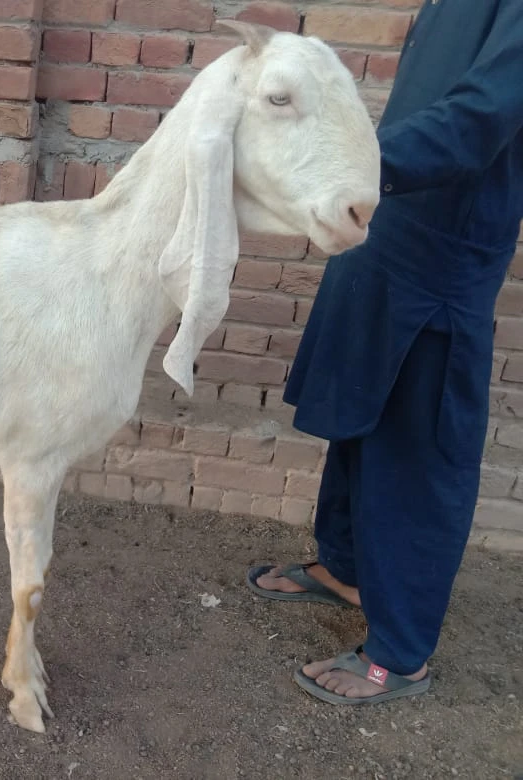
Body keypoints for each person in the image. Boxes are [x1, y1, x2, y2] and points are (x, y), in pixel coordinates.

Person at [245, 0, 523, 704]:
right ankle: (346, 571)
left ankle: (401, 654)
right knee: (358, 421)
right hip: (385, 227)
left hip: (443, 259)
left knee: (415, 454)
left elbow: (478, 120)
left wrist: (345, 164)